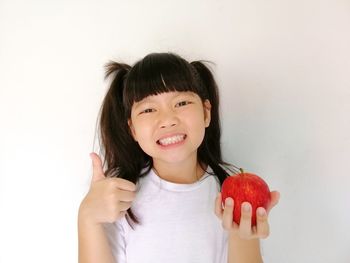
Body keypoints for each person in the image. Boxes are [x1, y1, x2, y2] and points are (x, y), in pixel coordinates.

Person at [78, 52, 280, 263]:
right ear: (133, 130)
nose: (167, 120)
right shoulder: (118, 194)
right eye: (148, 109)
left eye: (182, 103)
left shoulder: (229, 189)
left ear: (206, 113)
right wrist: (87, 217)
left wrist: (242, 235)